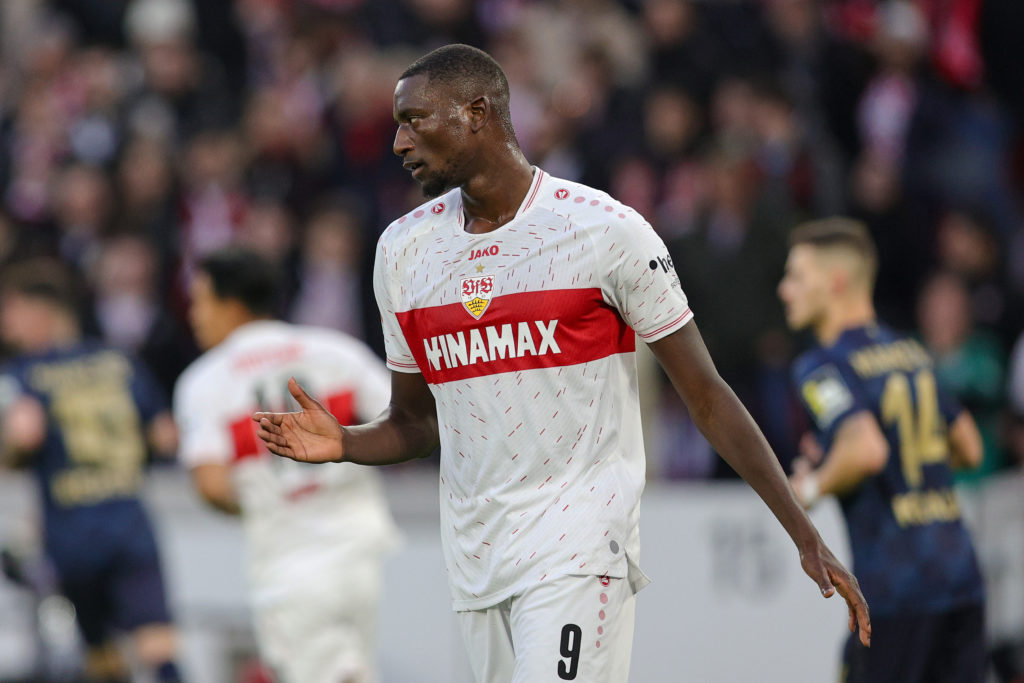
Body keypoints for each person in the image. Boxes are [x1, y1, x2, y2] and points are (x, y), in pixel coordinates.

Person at [254, 44, 869, 683]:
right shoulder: (403, 253)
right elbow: (417, 423)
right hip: (476, 557)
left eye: (415, 120)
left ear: (476, 113)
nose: (399, 142)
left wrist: (803, 532)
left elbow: (707, 395)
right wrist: (347, 443)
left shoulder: (605, 231)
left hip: (579, 546)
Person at [173, 247, 398, 683]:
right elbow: (407, 423)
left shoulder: (205, 381)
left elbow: (212, 486)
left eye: (200, 300)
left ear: (231, 303)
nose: (193, 315)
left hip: (288, 559)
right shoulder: (335, 349)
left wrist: (272, 500)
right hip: (360, 543)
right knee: (353, 670)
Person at [778, 218, 986, 683]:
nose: (784, 290)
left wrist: (810, 486)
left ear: (835, 282)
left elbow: (865, 450)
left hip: (896, 591)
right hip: (960, 579)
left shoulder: (820, 366)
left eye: (796, 277)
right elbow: (969, 447)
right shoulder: (911, 353)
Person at [0, 259, 182, 683]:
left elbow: (24, 436)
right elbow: (165, 436)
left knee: (99, 655)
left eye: (10, 311)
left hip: (72, 533)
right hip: (131, 524)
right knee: (157, 645)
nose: (6, 324)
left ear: (37, 310)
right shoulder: (118, 360)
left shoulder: (24, 374)